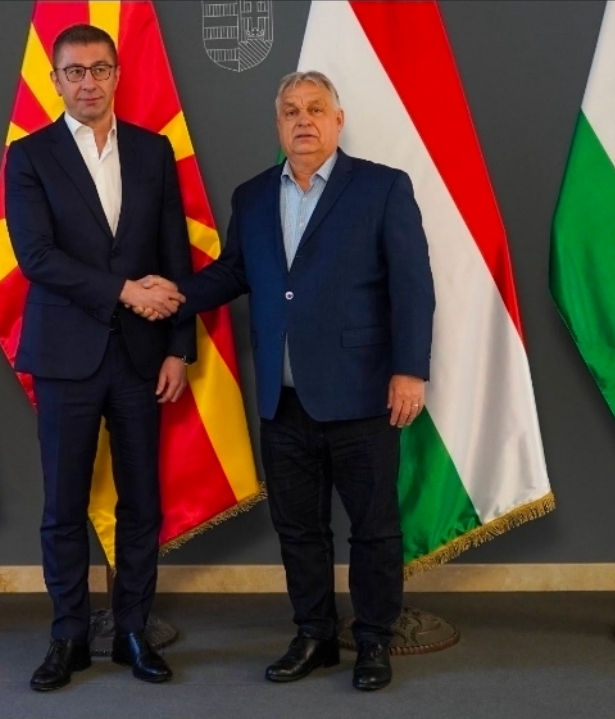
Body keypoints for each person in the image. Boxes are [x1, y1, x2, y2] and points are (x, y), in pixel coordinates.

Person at [137, 71, 434, 691]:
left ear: (338, 120)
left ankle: (373, 640)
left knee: (374, 528)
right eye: (291, 111)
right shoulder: (251, 197)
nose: (304, 120)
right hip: (282, 398)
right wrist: (176, 294)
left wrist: (409, 371)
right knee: (299, 529)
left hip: (361, 394)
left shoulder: (382, 187)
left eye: (316, 109)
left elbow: (412, 287)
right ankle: (314, 635)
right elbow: (233, 273)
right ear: (278, 125)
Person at [4, 24, 195, 691]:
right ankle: (69, 636)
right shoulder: (29, 156)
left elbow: (174, 252)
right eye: (75, 71)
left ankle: (134, 629)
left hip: (143, 358)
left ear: (117, 75)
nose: (88, 82)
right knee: (63, 506)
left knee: (142, 503)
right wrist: (125, 291)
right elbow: (37, 257)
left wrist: (180, 348)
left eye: (100, 69)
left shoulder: (153, 150)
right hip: (66, 356)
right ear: (55, 81)